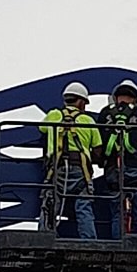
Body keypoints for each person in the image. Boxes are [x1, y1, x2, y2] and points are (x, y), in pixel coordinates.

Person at [95, 80, 137, 236]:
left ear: (115, 98)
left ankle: (118, 245)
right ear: (135, 98)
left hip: (114, 170)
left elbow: (98, 142)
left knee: (117, 215)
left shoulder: (104, 113)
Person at [40, 85, 100, 239]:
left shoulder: (53, 116)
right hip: (81, 171)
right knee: (84, 207)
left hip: (57, 169)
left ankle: (44, 238)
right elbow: (98, 150)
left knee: (51, 205)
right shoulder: (87, 120)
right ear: (80, 102)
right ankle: (89, 241)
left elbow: (42, 129)